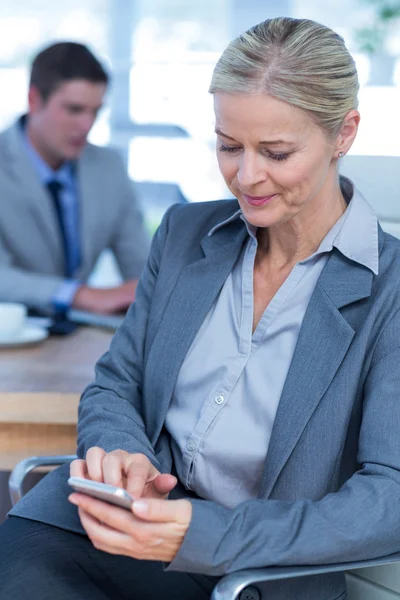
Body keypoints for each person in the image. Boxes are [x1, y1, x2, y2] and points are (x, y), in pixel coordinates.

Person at [1, 16, 400, 600]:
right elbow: (116, 385)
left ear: (345, 133)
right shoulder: (187, 232)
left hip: (256, 569)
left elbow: (388, 498)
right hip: (113, 529)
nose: (246, 176)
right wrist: (122, 454)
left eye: (277, 152)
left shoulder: (389, 287)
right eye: (228, 145)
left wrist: (205, 534)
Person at [0, 42, 150, 315]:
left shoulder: (109, 167)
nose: (86, 125)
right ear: (34, 101)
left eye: (95, 111)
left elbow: (143, 270)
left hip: (78, 338)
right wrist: (79, 295)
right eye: (74, 109)